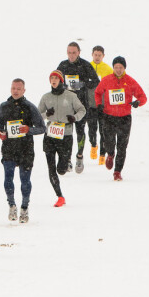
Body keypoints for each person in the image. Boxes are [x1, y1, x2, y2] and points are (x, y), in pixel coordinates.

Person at [0, 79, 46, 223]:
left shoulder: (30, 107)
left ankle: (24, 207)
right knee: (8, 178)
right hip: (9, 148)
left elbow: (42, 127)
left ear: (24, 90)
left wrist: (29, 130)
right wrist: (0, 133)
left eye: (18, 88)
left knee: (25, 181)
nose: (15, 91)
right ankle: (11, 205)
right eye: (13, 88)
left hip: (25, 149)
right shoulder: (4, 106)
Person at [94, 56, 147, 181]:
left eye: (121, 67)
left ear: (124, 68)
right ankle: (110, 154)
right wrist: (99, 104)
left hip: (124, 118)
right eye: (116, 67)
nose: (118, 70)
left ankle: (117, 171)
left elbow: (143, 97)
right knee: (108, 141)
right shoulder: (106, 80)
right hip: (109, 116)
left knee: (122, 146)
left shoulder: (130, 81)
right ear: (113, 68)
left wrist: (137, 103)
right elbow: (97, 92)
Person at [38, 71, 86, 207]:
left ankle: (67, 163)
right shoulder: (46, 97)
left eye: (56, 78)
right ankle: (60, 196)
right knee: (51, 168)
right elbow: (37, 116)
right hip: (50, 135)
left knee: (61, 169)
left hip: (66, 135)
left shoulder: (71, 96)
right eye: (51, 78)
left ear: (60, 80)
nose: (53, 80)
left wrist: (74, 118)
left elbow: (82, 110)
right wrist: (46, 114)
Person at [56, 42, 99, 173]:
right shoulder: (62, 65)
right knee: (66, 134)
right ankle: (67, 159)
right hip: (66, 105)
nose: (71, 55)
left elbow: (96, 81)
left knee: (80, 131)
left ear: (79, 52)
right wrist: (62, 87)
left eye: (74, 52)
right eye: (69, 52)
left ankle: (79, 156)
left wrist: (84, 84)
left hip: (81, 105)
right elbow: (54, 81)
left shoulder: (85, 65)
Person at [88, 46, 113, 164]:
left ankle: (102, 153)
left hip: (103, 105)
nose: (97, 57)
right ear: (92, 55)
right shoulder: (87, 66)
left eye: (99, 55)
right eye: (95, 55)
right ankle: (93, 145)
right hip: (91, 104)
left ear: (103, 56)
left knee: (103, 130)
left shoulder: (108, 69)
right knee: (92, 129)